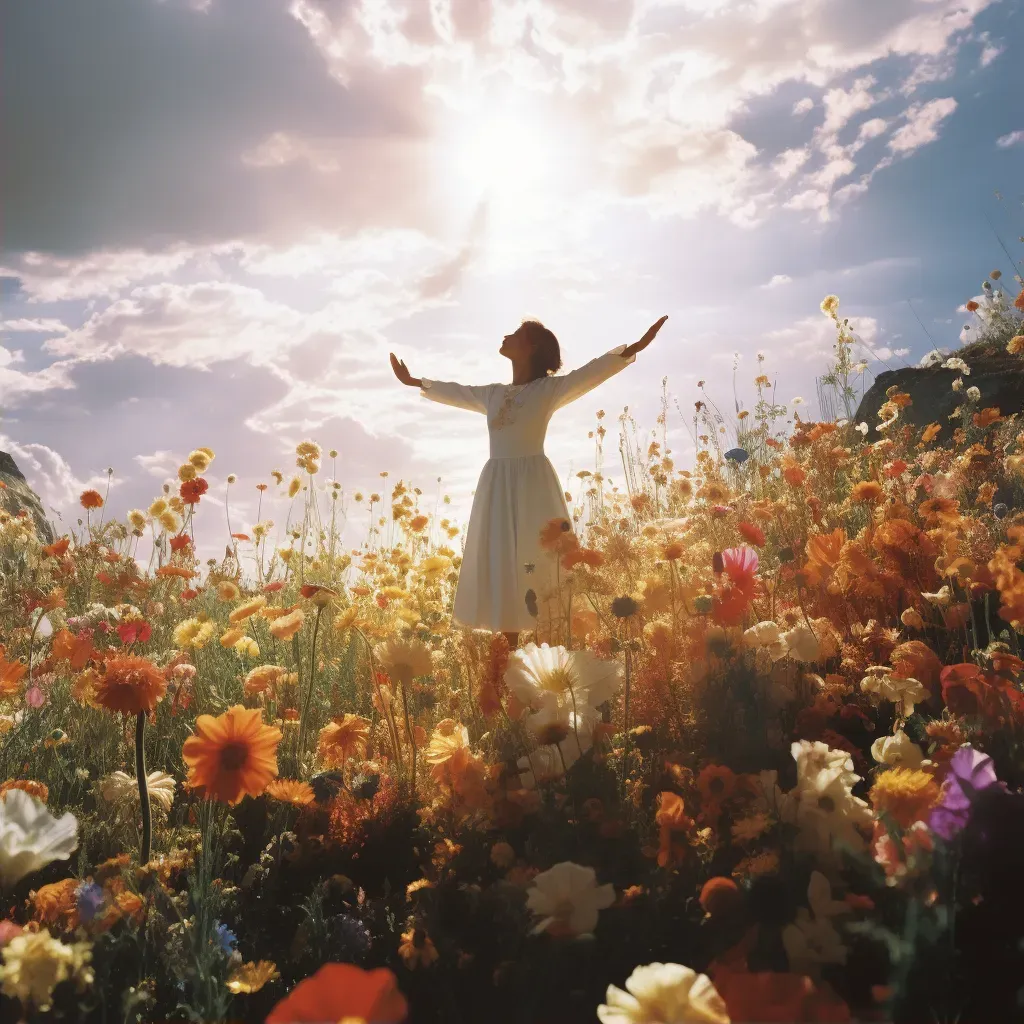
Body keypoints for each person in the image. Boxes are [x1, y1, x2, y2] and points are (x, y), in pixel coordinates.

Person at [389, 315, 667, 650]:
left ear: (532, 347)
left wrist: (632, 349)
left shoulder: (548, 390)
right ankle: (510, 655)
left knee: (539, 559)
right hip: (496, 483)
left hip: (534, 485)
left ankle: (550, 653)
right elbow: (458, 392)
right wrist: (415, 381)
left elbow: (589, 374)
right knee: (502, 558)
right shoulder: (493, 395)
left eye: (517, 334)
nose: (506, 336)